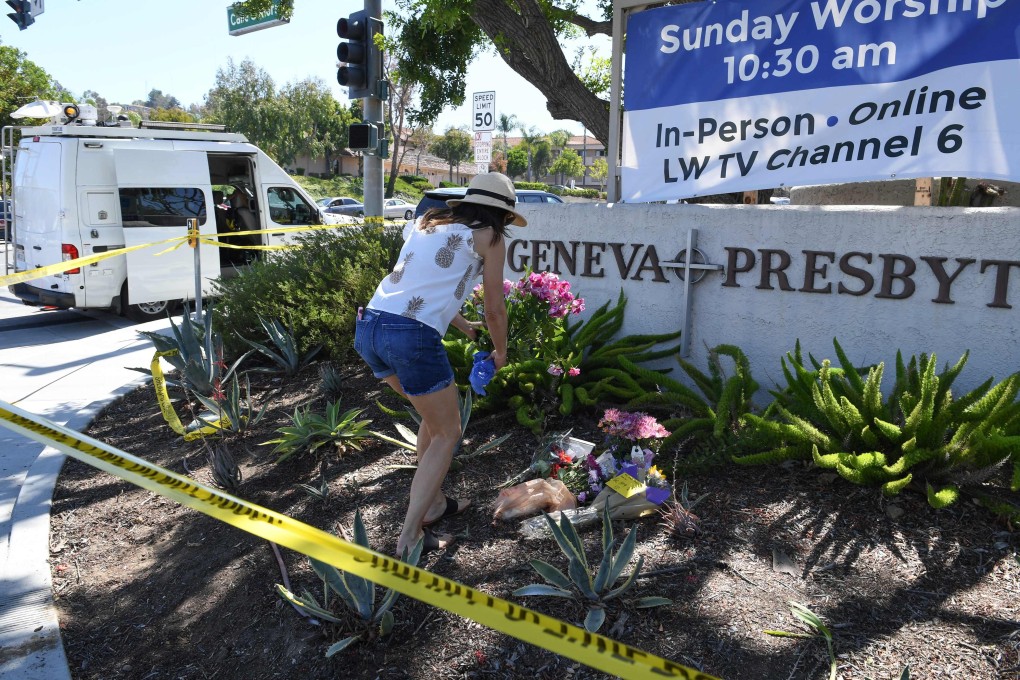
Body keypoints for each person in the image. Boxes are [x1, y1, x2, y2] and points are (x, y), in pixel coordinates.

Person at [354, 173, 525, 557]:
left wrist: (462, 324)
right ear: (501, 214)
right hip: (409, 338)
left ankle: (432, 505)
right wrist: (501, 352)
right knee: (449, 433)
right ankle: (411, 534)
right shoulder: (491, 238)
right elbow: (495, 307)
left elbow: (420, 280)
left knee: (432, 421)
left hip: (370, 327)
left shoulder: (426, 222)